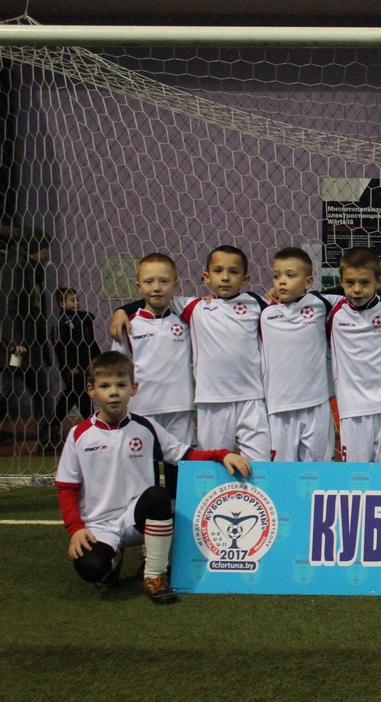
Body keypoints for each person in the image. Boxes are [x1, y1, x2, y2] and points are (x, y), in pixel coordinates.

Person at [54, 351, 251, 603]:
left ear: (133, 388)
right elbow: (67, 488)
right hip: (99, 525)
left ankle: (154, 574)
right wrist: (76, 529)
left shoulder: (145, 427)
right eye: (105, 386)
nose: (113, 392)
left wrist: (221, 454)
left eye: (121, 385)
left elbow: (185, 455)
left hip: (138, 517)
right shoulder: (79, 435)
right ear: (91, 390)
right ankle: (111, 560)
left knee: (159, 496)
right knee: (90, 568)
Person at [111, 253, 195, 496]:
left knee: (179, 472)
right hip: (142, 410)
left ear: (175, 285)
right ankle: (147, 517)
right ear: (138, 286)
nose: (156, 287)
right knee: (144, 474)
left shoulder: (188, 320)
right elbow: (118, 366)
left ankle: (179, 517)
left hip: (179, 408)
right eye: (149, 282)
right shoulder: (129, 324)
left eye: (163, 281)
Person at [328, 247, 381, 463]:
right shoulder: (331, 308)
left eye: (364, 282)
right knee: (356, 474)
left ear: (378, 281)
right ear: (341, 282)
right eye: (350, 283)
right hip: (352, 408)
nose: (357, 289)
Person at [260, 247, 337, 463]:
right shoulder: (264, 310)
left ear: (309, 281)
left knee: (320, 471)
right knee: (282, 472)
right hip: (279, 408)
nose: (282, 281)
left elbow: (355, 292)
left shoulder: (320, 303)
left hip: (317, 405)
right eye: (276, 276)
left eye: (290, 275)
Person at [0, 230, 60, 453]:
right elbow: (8, 307)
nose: (48, 254)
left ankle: (48, 439)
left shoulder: (32, 271)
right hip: (18, 348)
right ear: (36, 248)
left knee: (41, 391)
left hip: (30, 346)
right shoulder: (16, 269)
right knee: (6, 390)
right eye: (46, 249)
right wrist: (14, 341)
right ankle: (48, 438)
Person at [52, 287, 100, 424]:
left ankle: (53, 425)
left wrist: (96, 358)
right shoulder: (62, 324)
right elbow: (61, 348)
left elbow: (90, 342)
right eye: (73, 300)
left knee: (74, 394)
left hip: (84, 364)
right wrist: (70, 366)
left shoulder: (82, 320)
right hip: (72, 367)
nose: (77, 303)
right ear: (62, 303)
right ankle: (92, 423)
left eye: (77, 300)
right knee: (78, 394)